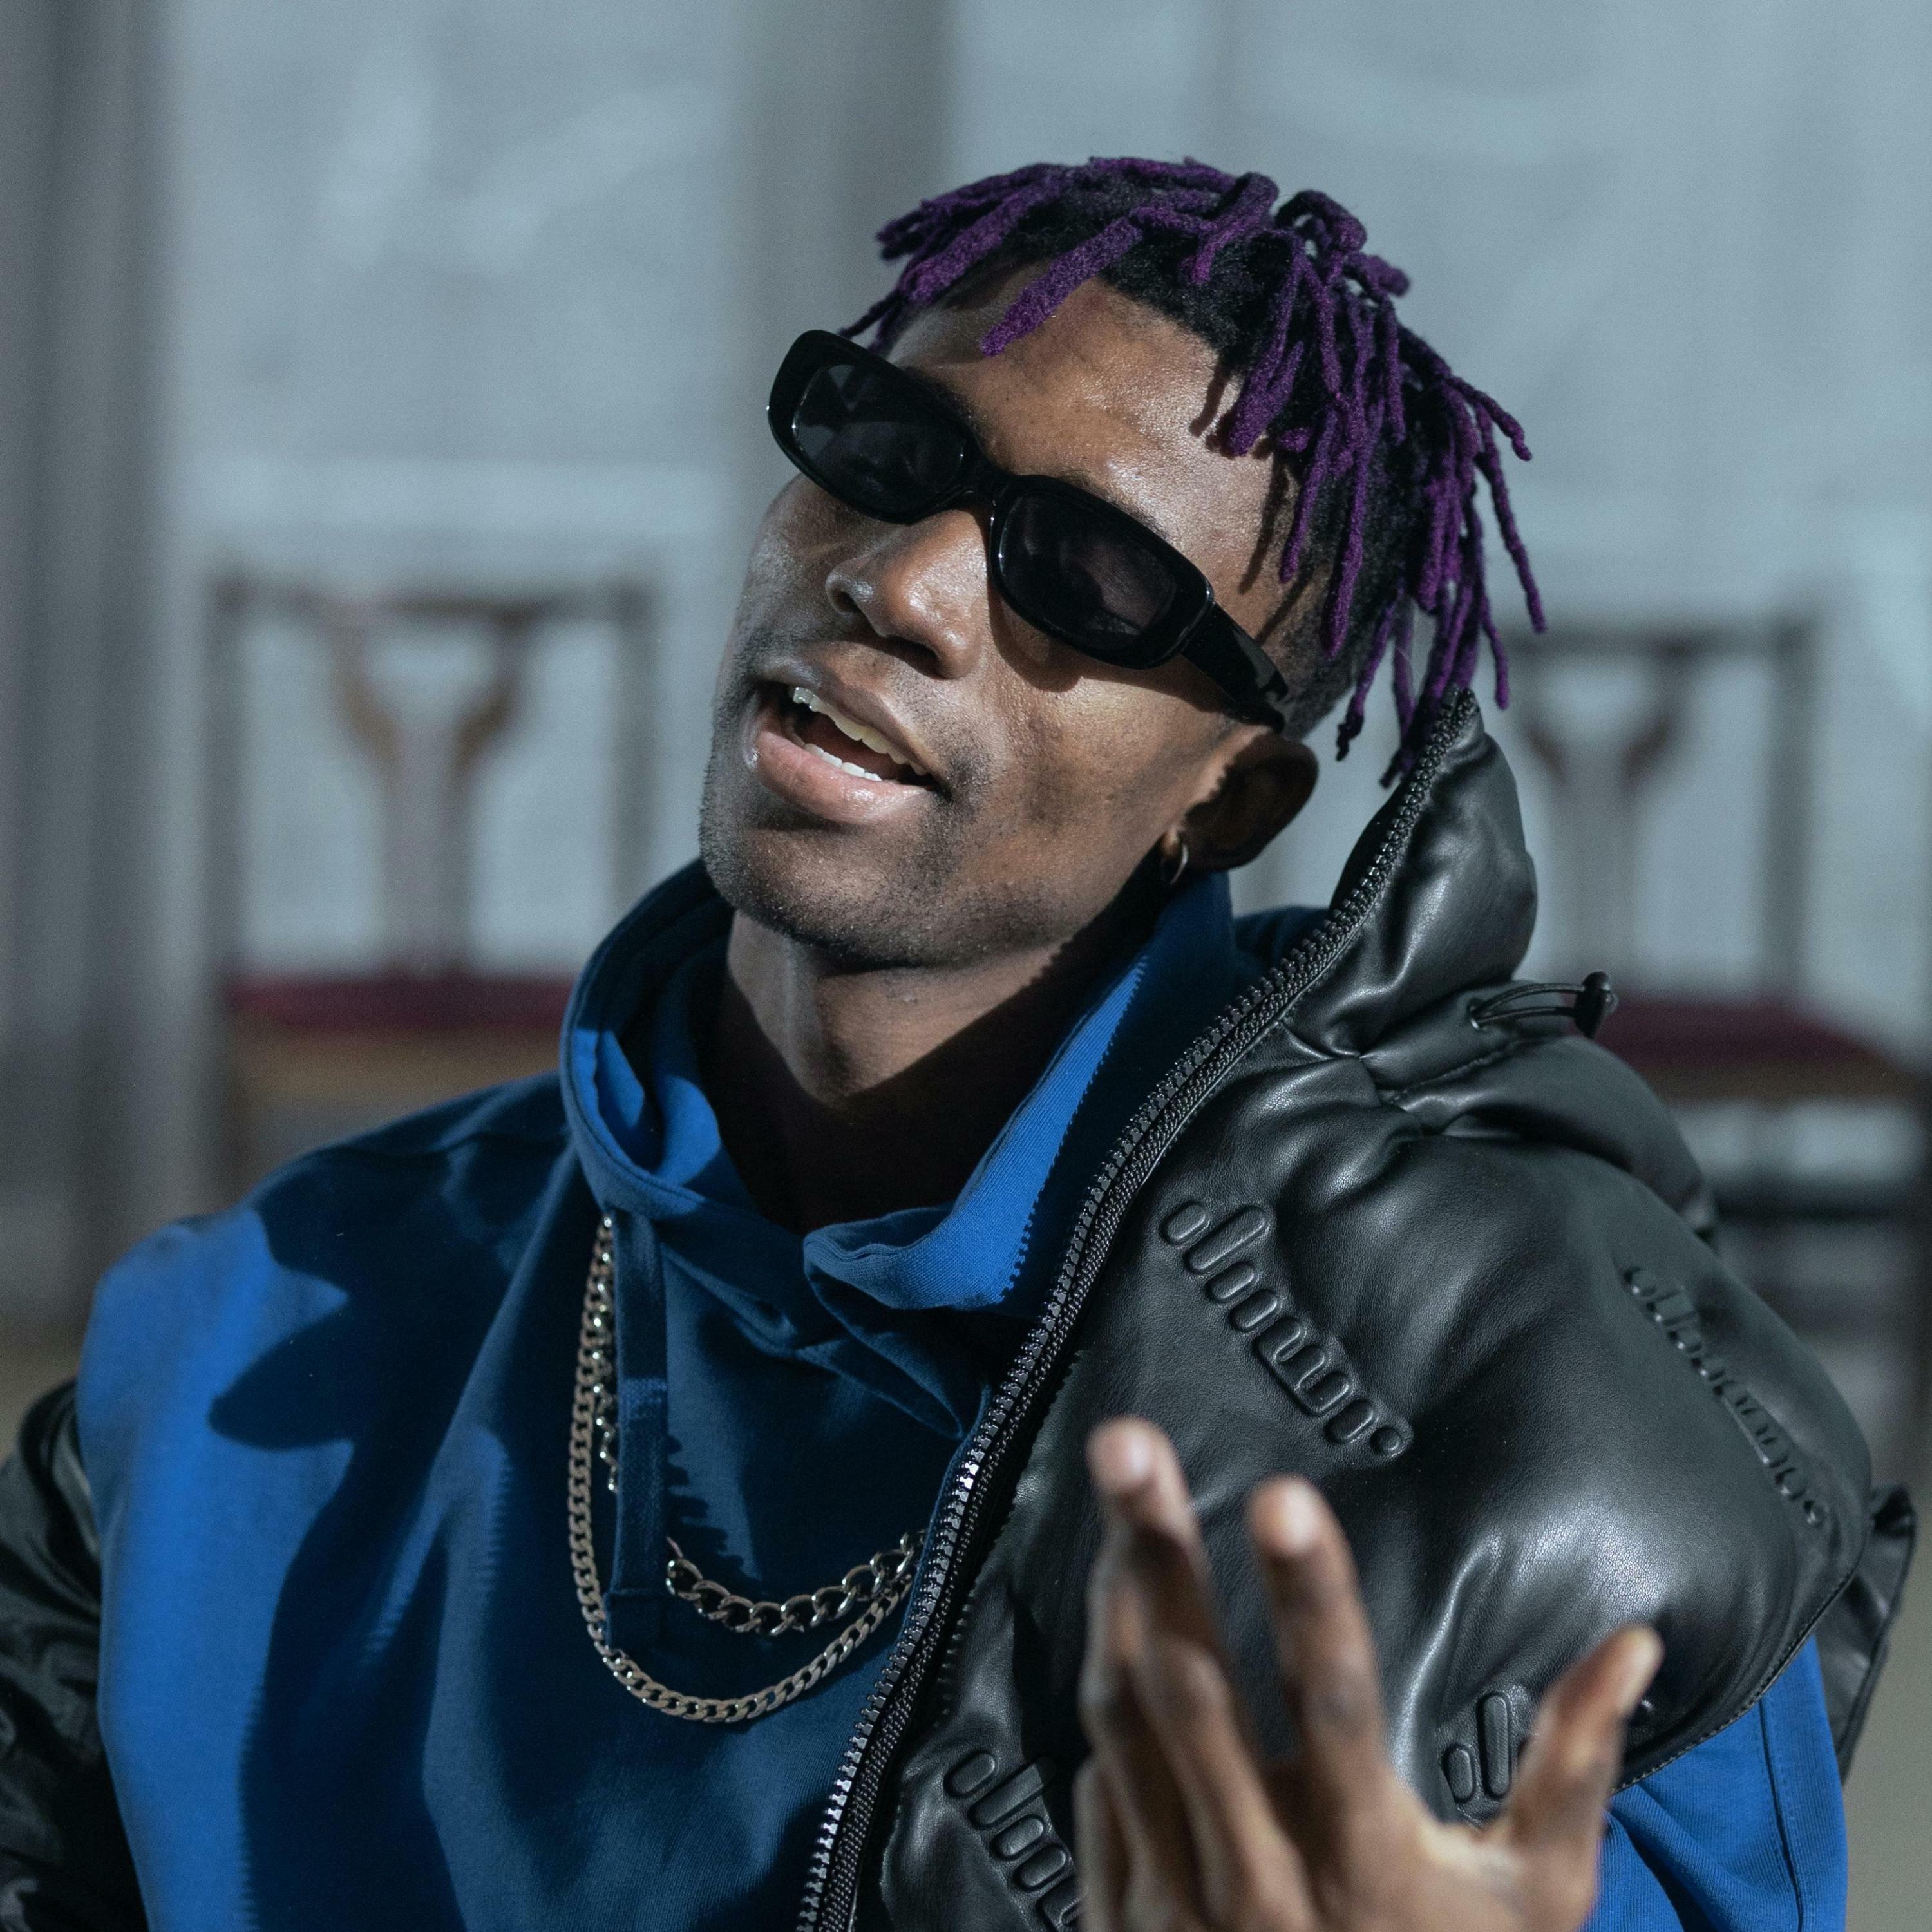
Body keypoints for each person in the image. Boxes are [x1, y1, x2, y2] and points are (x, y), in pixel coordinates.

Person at [0, 157, 1911, 1932]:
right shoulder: (252, 1340)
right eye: (887, 449)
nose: (902, 582)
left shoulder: (1575, 1463)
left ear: (1232, 801)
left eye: (1092, 580)